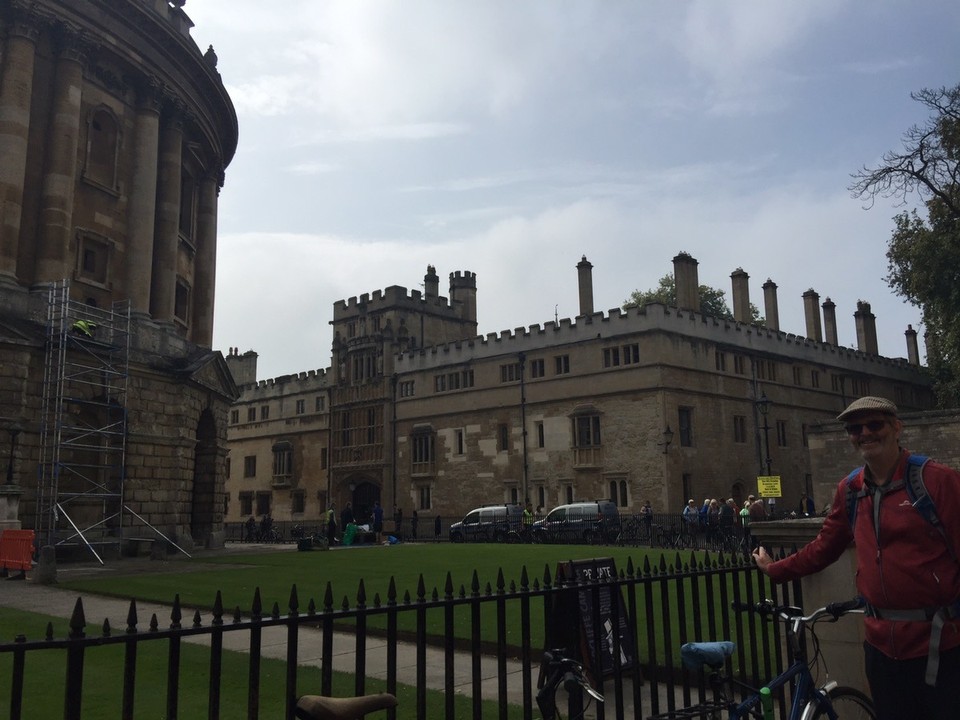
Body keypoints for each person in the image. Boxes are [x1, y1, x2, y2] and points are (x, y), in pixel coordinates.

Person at [753, 396, 960, 720]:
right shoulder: (850, 490)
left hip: (939, 645)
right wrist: (776, 569)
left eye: (874, 424)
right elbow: (825, 546)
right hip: (880, 648)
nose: (864, 433)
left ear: (896, 427)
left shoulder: (936, 480)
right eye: (854, 428)